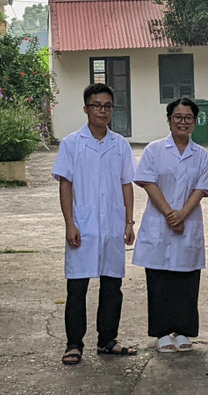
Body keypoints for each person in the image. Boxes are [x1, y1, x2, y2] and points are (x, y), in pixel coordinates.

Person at [52, 83, 138, 365]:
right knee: (77, 287)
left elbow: (127, 185)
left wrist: (128, 221)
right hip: (84, 225)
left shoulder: (120, 145)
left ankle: (107, 340)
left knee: (112, 285)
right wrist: (70, 223)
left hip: (113, 225)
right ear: (86, 109)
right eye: (97, 106)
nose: (103, 111)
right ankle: (74, 344)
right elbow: (66, 185)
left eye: (108, 106)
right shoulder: (71, 143)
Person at [132, 97, 208, 353]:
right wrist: (170, 214)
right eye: (177, 117)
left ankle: (184, 331)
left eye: (188, 118)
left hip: (188, 223)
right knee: (159, 280)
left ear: (194, 121)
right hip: (159, 221)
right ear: (169, 120)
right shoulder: (154, 150)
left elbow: (202, 189)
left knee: (186, 280)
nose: (183, 122)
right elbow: (148, 183)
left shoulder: (200, 154)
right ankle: (161, 332)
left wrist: (182, 215)